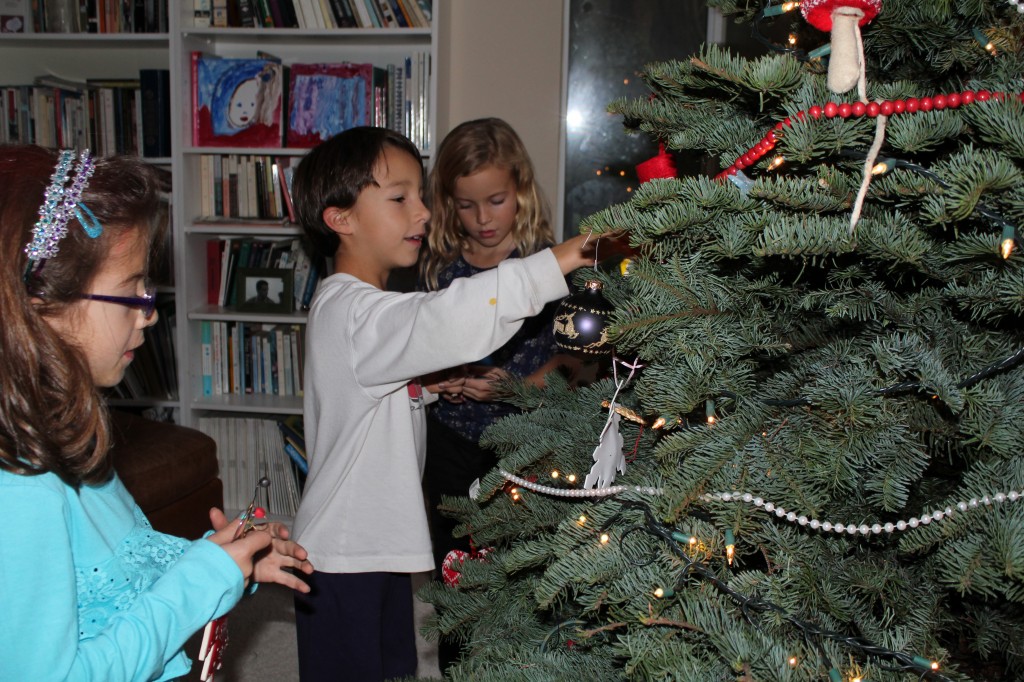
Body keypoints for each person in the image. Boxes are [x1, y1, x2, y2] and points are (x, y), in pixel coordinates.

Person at [289, 126, 597, 681]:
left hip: (371, 548)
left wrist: (431, 384)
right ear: (341, 218)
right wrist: (565, 256)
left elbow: (372, 391)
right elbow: (446, 319)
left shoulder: (362, 308)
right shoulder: (354, 312)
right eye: (400, 197)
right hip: (341, 556)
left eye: (422, 196)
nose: (424, 212)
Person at [0, 144, 314, 682]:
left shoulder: (64, 435)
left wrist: (223, 564)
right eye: (131, 291)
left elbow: (108, 576)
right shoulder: (20, 490)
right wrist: (198, 582)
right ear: (41, 306)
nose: (149, 314)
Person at [418, 117, 586, 669]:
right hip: (451, 443)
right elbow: (420, 353)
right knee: (456, 569)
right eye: (466, 205)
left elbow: (578, 361)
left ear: (520, 189)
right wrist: (442, 379)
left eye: (496, 200)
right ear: (447, 204)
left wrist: (511, 388)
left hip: (529, 449)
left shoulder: (548, 264)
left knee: (525, 573)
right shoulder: (440, 270)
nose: (483, 219)